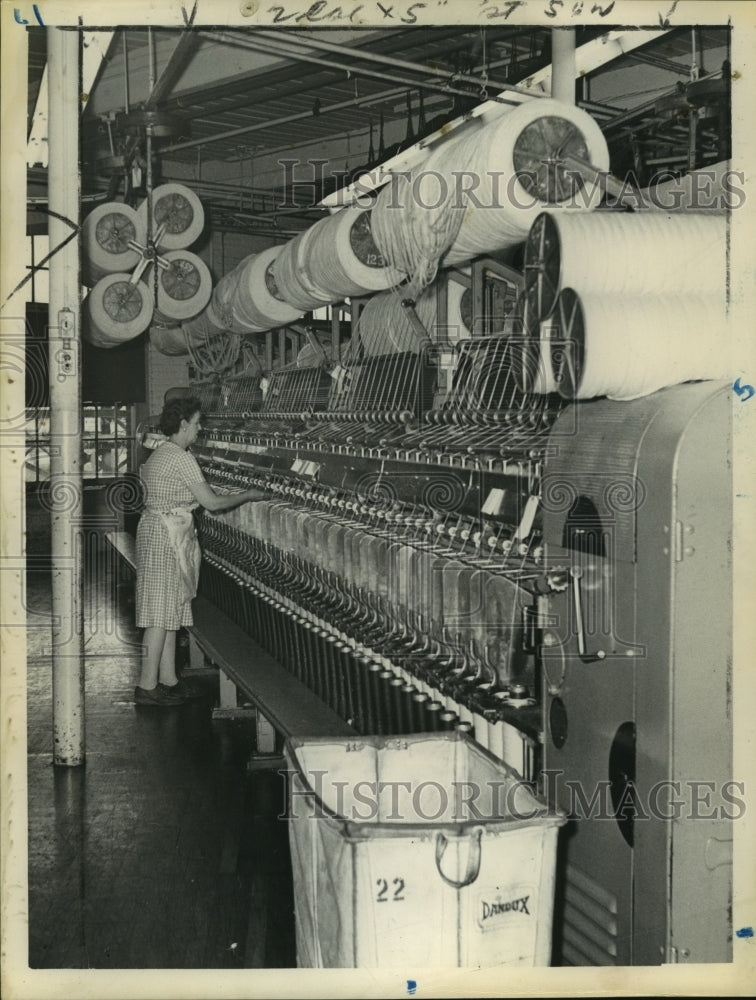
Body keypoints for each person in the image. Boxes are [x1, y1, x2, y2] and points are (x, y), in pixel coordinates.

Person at [134, 395, 264, 706]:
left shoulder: (163, 451)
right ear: (183, 425)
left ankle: (168, 680)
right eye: (196, 423)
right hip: (164, 534)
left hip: (160, 529)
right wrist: (249, 494)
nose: (199, 428)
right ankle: (146, 687)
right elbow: (212, 503)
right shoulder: (181, 457)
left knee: (169, 610)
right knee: (159, 614)